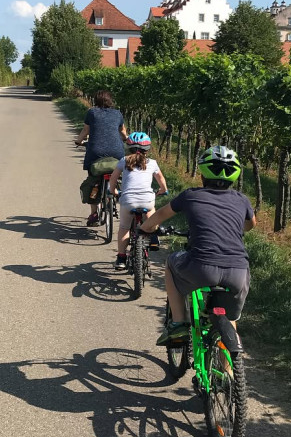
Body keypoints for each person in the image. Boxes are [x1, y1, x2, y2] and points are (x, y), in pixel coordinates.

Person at [140, 146, 256, 345]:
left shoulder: (190, 195)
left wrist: (145, 228)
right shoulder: (242, 200)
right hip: (239, 272)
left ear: (202, 175)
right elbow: (250, 225)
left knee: (170, 263)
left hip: (201, 267)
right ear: (234, 178)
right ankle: (231, 371)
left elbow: (160, 215)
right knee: (230, 319)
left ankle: (179, 324)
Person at [107, 132, 168, 270]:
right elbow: (161, 180)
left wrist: (113, 191)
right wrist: (163, 190)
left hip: (128, 200)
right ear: (147, 150)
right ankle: (153, 237)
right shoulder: (152, 163)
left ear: (129, 148)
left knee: (124, 227)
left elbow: (113, 179)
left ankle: (121, 258)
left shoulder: (123, 161)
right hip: (147, 199)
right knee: (152, 213)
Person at [74, 90, 127, 226]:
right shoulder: (118, 114)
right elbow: (122, 132)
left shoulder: (92, 113)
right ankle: (115, 195)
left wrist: (78, 141)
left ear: (95, 100)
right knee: (118, 173)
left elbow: (86, 131)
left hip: (96, 152)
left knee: (93, 177)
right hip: (116, 152)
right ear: (111, 101)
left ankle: (94, 214)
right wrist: (126, 139)